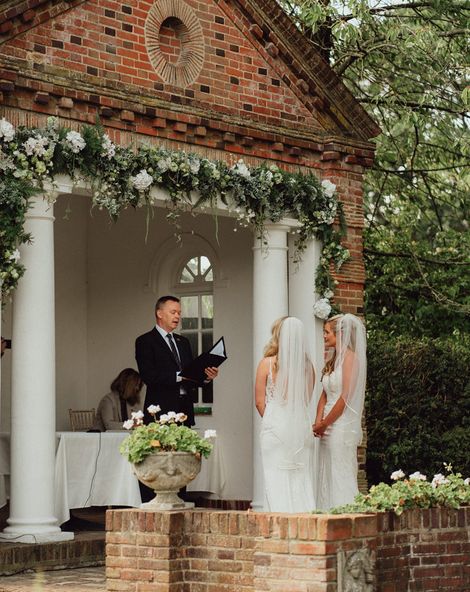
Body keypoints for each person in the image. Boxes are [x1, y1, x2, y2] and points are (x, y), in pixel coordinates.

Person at [255, 316, 316, 512]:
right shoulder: (308, 368)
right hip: (299, 428)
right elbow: (305, 401)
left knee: (275, 478)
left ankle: (277, 517)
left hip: (274, 429)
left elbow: (259, 402)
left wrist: (273, 420)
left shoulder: (266, 364)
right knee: (300, 477)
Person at [135, 295, 218, 427]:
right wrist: (179, 376)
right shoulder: (145, 341)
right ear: (159, 314)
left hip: (184, 412)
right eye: (173, 312)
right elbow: (148, 376)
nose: (177, 316)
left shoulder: (183, 342)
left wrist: (206, 377)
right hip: (160, 413)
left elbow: (190, 376)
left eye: (179, 313)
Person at [313, 313, 367, 510]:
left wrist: (324, 423)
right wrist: (318, 421)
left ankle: (345, 512)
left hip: (340, 425)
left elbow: (344, 398)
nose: (324, 336)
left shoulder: (351, 359)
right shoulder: (333, 359)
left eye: (327, 332)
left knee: (339, 472)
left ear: (340, 334)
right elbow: (324, 394)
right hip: (325, 425)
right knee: (326, 472)